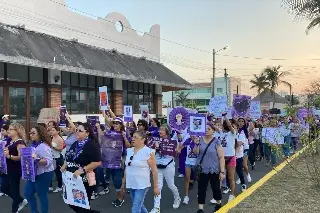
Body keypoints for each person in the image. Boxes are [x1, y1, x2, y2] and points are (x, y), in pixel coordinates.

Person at [61, 122, 102, 213]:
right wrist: (65, 164)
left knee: (81, 204)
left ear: (87, 133)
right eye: (76, 130)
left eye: (80, 131)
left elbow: (97, 162)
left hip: (85, 179)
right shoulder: (75, 143)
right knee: (71, 202)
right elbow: (70, 156)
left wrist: (81, 170)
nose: (77, 132)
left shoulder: (91, 145)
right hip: (73, 179)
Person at [121, 131, 159, 213]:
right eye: (133, 137)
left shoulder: (148, 152)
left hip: (142, 185)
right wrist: (123, 183)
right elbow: (127, 168)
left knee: (135, 209)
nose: (133, 139)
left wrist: (156, 187)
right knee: (140, 206)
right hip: (131, 183)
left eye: (136, 137)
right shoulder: (129, 151)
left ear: (143, 140)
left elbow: (154, 170)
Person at [193, 123, 225, 213]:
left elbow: (221, 157)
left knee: (216, 189)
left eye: (209, 129)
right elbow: (196, 152)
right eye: (205, 129)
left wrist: (222, 171)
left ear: (213, 131)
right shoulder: (199, 140)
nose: (206, 130)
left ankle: (218, 204)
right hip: (202, 170)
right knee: (201, 189)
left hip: (214, 170)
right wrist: (196, 144)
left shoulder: (216, 141)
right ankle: (200, 209)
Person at [24, 125, 54, 213]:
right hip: (33, 173)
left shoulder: (44, 147)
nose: (31, 135)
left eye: (33, 133)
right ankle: (34, 211)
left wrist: (36, 159)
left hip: (44, 174)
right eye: (30, 133)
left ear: (40, 134)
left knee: (41, 195)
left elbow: (49, 161)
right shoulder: (32, 144)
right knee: (28, 193)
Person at [2, 123, 28, 213]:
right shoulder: (10, 141)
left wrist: (9, 156)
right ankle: (21, 200)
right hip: (7, 168)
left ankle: (15, 209)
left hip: (15, 169)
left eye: (11, 129)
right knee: (4, 188)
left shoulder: (20, 143)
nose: (8, 130)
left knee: (14, 189)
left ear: (17, 131)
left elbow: (22, 157)